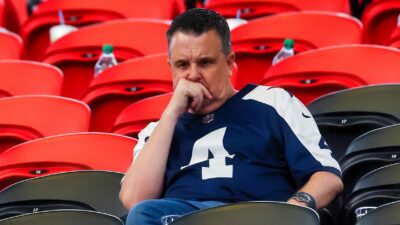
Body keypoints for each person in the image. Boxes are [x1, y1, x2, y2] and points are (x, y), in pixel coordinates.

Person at [120, 8, 343, 225]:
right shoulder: (158, 131)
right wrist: (170, 115)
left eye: (205, 62)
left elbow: (327, 177)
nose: (193, 74)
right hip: (186, 218)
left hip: (258, 214)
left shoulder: (273, 102)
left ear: (228, 64)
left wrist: (293, 209)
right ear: (171, 68)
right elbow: (135, 201)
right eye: (182, 65)